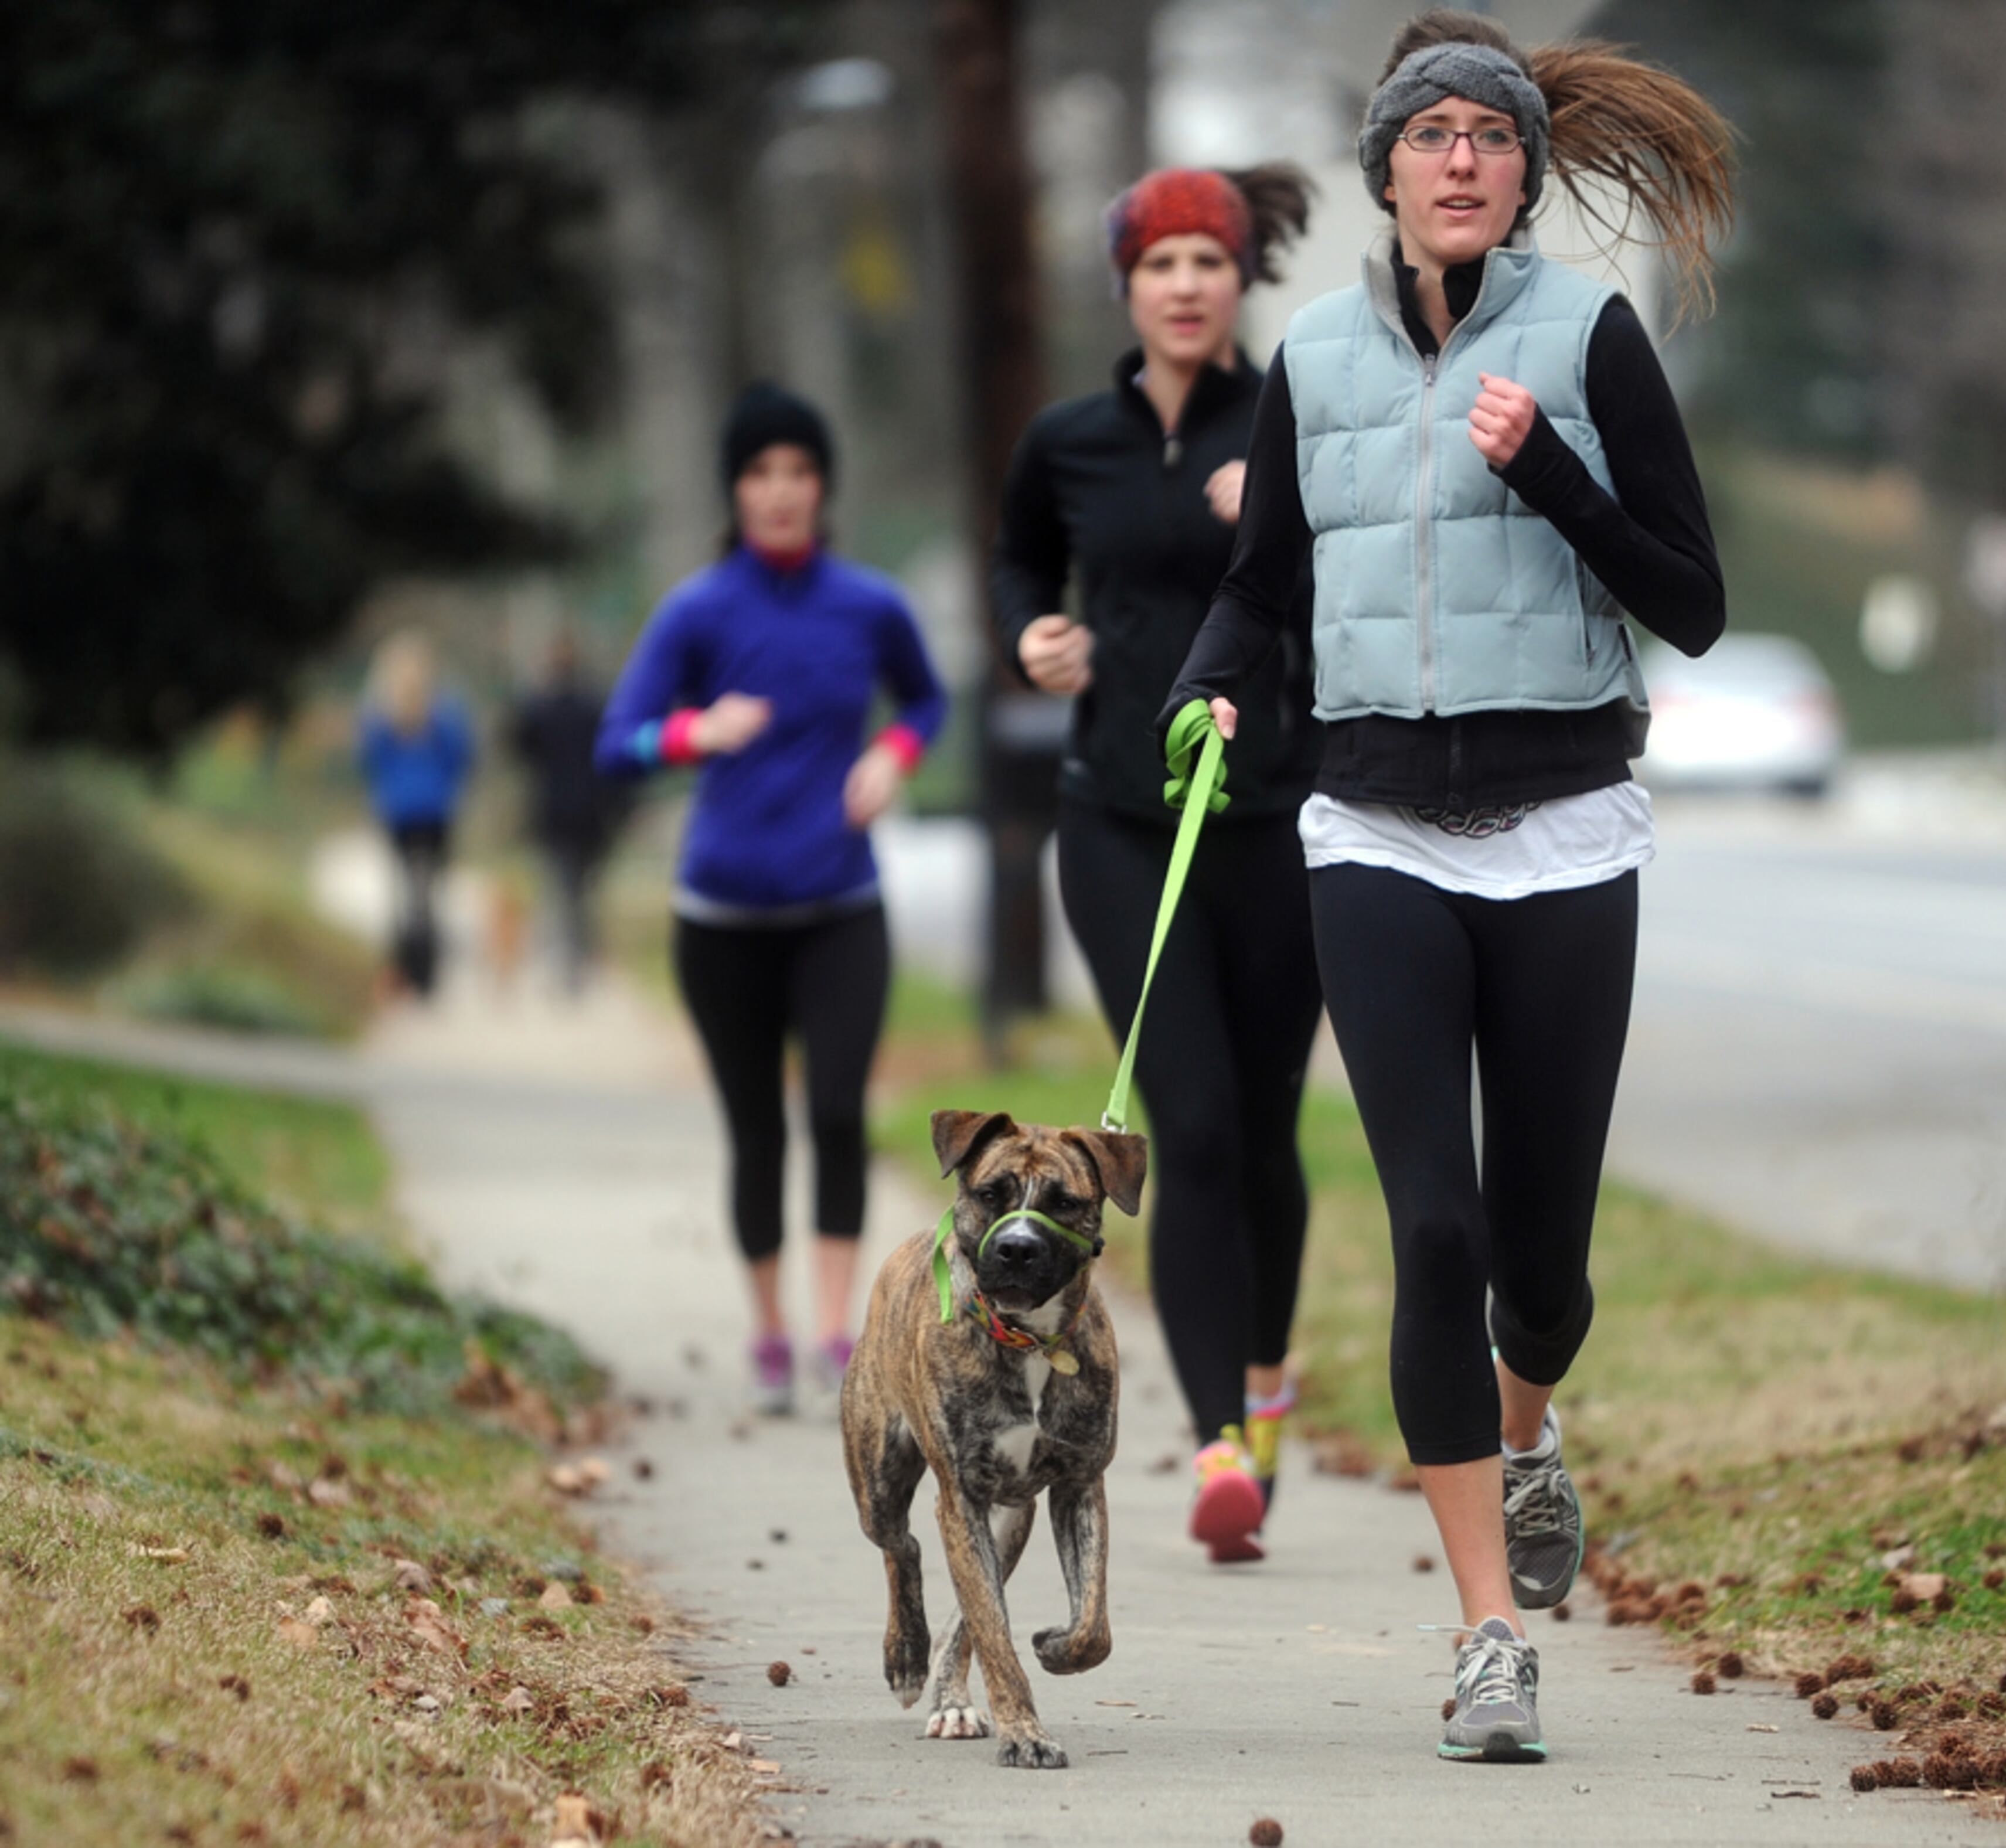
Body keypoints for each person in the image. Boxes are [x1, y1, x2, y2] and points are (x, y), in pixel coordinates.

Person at [1163, 9, 1732, 1760]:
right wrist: (1204, 678)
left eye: (1490, 136)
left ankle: (1530, 1417)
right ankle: (1488, 1629)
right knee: (1434, 1227)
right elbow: (1263, 586)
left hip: (1565, 825)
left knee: (1538, 1269)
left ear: (1523, 170)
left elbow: (1689, 602)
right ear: (1384, 175)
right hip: (1375, 827)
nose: (1462, 160)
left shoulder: (1587, 337)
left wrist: (1546, 472)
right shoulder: (1314, 361)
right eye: (1432, 139)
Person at [992, 163, 1322, 1564]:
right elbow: (1018, 567)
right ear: (1126, 283)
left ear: (1240, 279)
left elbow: (1361, 582)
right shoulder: (1068, 440)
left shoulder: (1297, 421)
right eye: (1160, 259)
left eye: (1208, 258)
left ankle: (1261, 1377)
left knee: (1258, 1132)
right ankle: (1216, 1445)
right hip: (1120, 818)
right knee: (1183, 1125)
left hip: (1279, 817)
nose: (1185, 281)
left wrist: (1284, 517)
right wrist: (1035, 639)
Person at [596, 384, 948, 1415]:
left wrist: (893, 750)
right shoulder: (700, 609)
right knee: (758, 1126)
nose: (782, 491)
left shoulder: (871, 604)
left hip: (841, 906)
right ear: (737, 490)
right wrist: (691, 733)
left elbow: (925, 695)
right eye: (761, 473)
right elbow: (615, 741)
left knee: (837, 1112)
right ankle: (769, 1330)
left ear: (823, 485)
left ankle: (838, 1332)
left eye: (799, 471)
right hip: (723, 919)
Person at [357, 629, 476, 999]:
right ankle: (426, 975)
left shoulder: (379, 711)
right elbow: (463, 755)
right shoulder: (444, 711)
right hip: (435, 810)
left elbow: (367, 761)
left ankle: (406, 972)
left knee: (404, 891)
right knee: (427, 893)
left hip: (397, 811)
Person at [510, 632, 629, 995]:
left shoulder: (540, 706)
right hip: (591, 815)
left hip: (557, 814)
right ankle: (576, 961)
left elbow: (517, 744)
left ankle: (570, 963)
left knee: (563, 891)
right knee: (580, 891)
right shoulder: (596, 704)